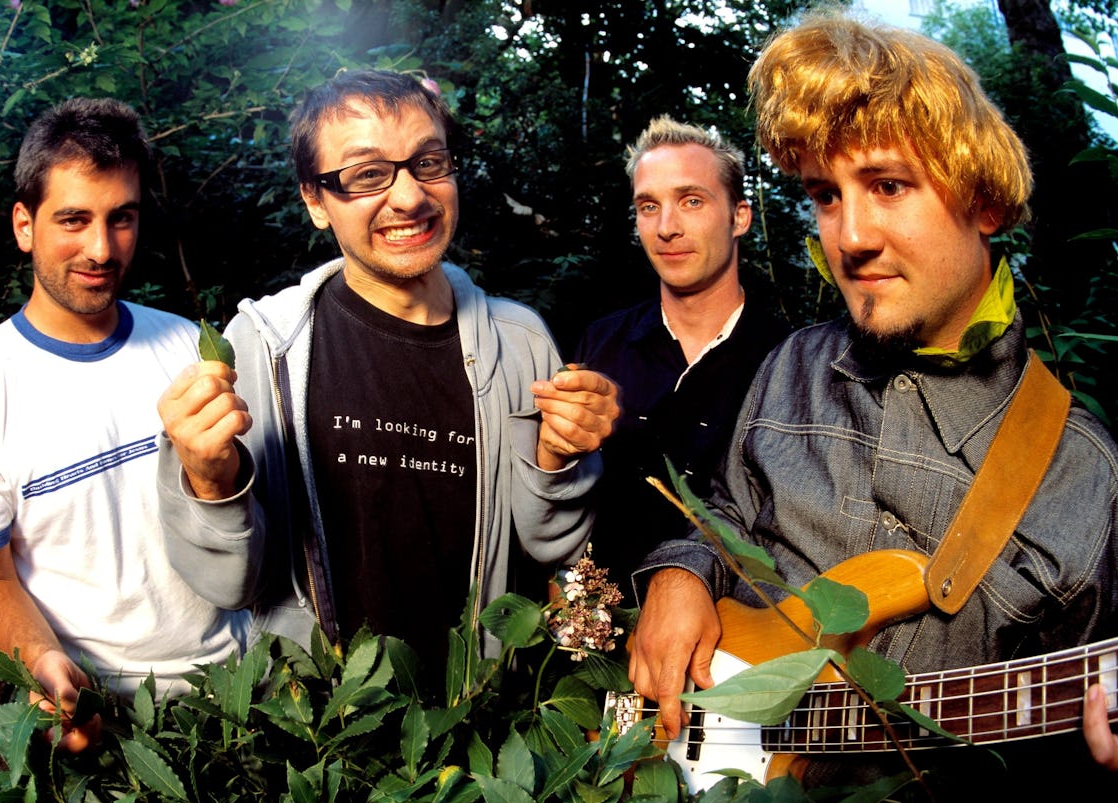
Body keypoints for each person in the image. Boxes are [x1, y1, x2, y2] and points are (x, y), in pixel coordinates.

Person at [628, 13, 1118, 746]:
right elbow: (728, 510)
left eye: (888, 185)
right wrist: (683, 572)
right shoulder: (792, 365)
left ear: (984, 200)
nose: (850, 237)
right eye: (827, 196)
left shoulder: (1085, 475)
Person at [155, 69, 618, 686]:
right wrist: (210, 481)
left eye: (428, 163)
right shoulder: (261, 348)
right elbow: (229, 584)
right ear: (315, 201)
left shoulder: (520, 341)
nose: (409, 197)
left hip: (480, 707)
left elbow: (552, 548)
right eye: (368, 174)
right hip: (319, 718)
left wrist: (559, 457)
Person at [0, 98, 250, 748]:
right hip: (111, 717)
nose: (102, 249)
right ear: (24, 225)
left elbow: (248, 513)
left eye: (121, 218)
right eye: (73, 219)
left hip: (244, 682)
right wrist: (43, 665)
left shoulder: (187, 348)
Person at [572, 116, 789, 590]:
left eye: (692, 201)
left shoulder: (789, 360)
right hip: (604, 619)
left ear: (739, 217)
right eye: (649, 206)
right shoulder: (601, 345)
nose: (666, 228)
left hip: (741, 625)